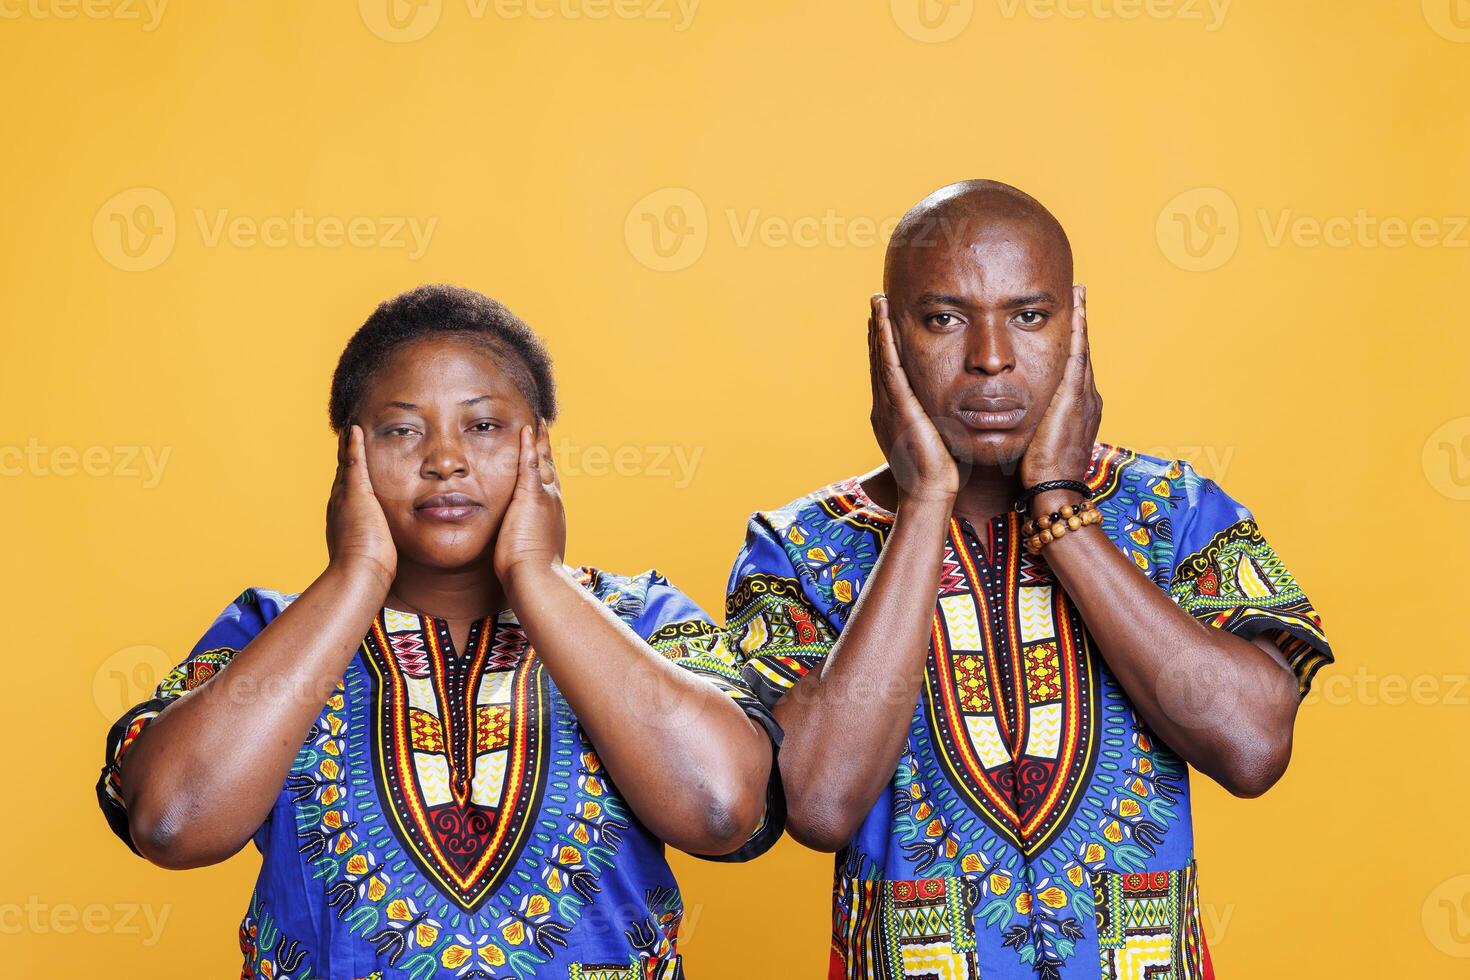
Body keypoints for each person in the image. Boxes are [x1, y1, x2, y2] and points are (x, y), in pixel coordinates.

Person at [721, 181, 1333, 979]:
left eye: (1029, 316)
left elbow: (1252, 749)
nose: (991, 357)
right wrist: (925, 500)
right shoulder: (796, 546)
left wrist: (1062, 507)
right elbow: (823, 803)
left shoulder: (1175, 509)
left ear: (1076, 325)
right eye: (943, 318)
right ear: (887, 337)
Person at [96, 284, 782, 979]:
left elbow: (720, 808)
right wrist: (355, 575)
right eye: (401, 430)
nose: (445, 459)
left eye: (483, 426)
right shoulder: (271, 631)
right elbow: (172, 821)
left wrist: (537, 578)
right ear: (349, 455)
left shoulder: (642, 617)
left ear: (538, 443)